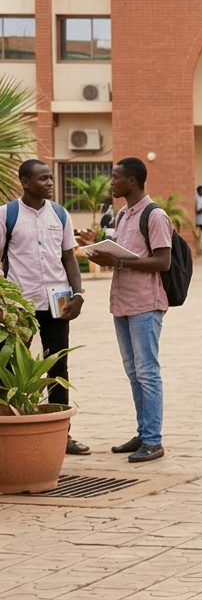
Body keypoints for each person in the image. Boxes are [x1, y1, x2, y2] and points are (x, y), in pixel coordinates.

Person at [80, 158, 172, 463]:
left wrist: (117, 261)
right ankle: (143, 433)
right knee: (134, 372)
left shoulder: (155, 215)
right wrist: (96, 244)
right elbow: (123, 248)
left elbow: (162, 262)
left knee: (148, 373)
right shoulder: (122, 214)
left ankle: (153, 441)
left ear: (131, 181)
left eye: (115, 177)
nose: (111, 182)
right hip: (122, 302)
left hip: (145, 304)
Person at [1, 160, 89, 454]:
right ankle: (13, 430)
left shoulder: (60, 214)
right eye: (43, 178)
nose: (50, 182)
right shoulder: (7, 215)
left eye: (51, 178)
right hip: (20, 307)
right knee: (13, 369)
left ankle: (61, 435)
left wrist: (78, 294)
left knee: (58, 366)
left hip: (57, 303)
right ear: (25, 182)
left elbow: (69, 259)